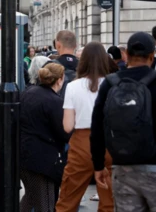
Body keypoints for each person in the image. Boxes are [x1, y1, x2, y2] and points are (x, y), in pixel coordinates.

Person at [91, 32, 156, 211]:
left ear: (126, 55)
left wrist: (98, 165)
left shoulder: (110, 83)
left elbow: (97, 128)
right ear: (152, 56)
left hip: (124, 169)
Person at [56, 42, 114, 212]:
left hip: (82, 144)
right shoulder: (113, 84)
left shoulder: (73, 86)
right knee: (109, 201)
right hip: (109, 142)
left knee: (68, 199)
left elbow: (67, 126)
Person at [20, 63, 69, 212]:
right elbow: (63, 132)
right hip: (43, 159)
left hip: (23, 154)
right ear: (59, 80)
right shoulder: (54, 101)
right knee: (45, 203)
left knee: (31, 197)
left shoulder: (27, 93)